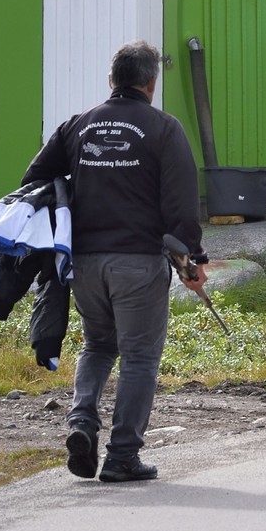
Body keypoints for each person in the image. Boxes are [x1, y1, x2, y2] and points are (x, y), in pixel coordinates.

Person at [22, 40, 207, 484]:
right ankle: (122, 456)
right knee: (140, 358)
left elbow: (34, 180)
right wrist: (191, 264)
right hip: (138, 266)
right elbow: (181, 206)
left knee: (98, 346)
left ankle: (82, 423)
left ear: (112, 80)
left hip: (85, 266)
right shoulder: (164, 129)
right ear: (151, 83)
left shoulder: (77, 126)